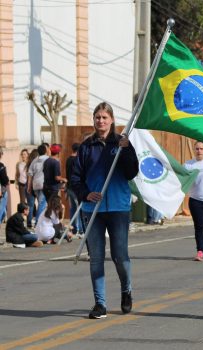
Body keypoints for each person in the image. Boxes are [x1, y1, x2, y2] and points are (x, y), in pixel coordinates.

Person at [71, 102, 139, 319]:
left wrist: (127, 151)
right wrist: (85, 194)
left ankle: (126, 288)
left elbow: (131, 173)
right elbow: (75, 179)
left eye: (104, 117)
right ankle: (100, 304)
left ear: (112, 120)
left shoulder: (121, 143)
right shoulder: (86, 147)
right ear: (94, 120)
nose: (100, 121)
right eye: (97, 117)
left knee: (120, 256)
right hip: (93, 209)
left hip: (118, 206)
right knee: (96, 258)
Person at [27, 144, 49, 226]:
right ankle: (37, 221)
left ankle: (39, 221)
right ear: (45, 151)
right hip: (43, 184)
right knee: (42, 204)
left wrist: (29, 186)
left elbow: (30, 174)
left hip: (35, 185)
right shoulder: (47, 159)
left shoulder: (34, 160)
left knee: (41, 203)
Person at [66, 143, 83, 236]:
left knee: (72, 208)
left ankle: (73, 228)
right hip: (76, 187)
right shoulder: (77, 160)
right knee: (80, 208)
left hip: (69, 187)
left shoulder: (68, 159)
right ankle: (80, 229)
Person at [25, 149, 38, 228]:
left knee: (30, 205)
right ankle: (37, 222)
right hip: (37, 185)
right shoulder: (38, 163)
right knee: (40, 204)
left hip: (29, 185)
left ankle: (29, 223)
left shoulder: (29, 164)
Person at [0, 148, 9, 223]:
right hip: (1, 191)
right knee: (1, 208)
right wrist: (7, 180)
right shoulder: (1, 166)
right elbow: (4, 180)